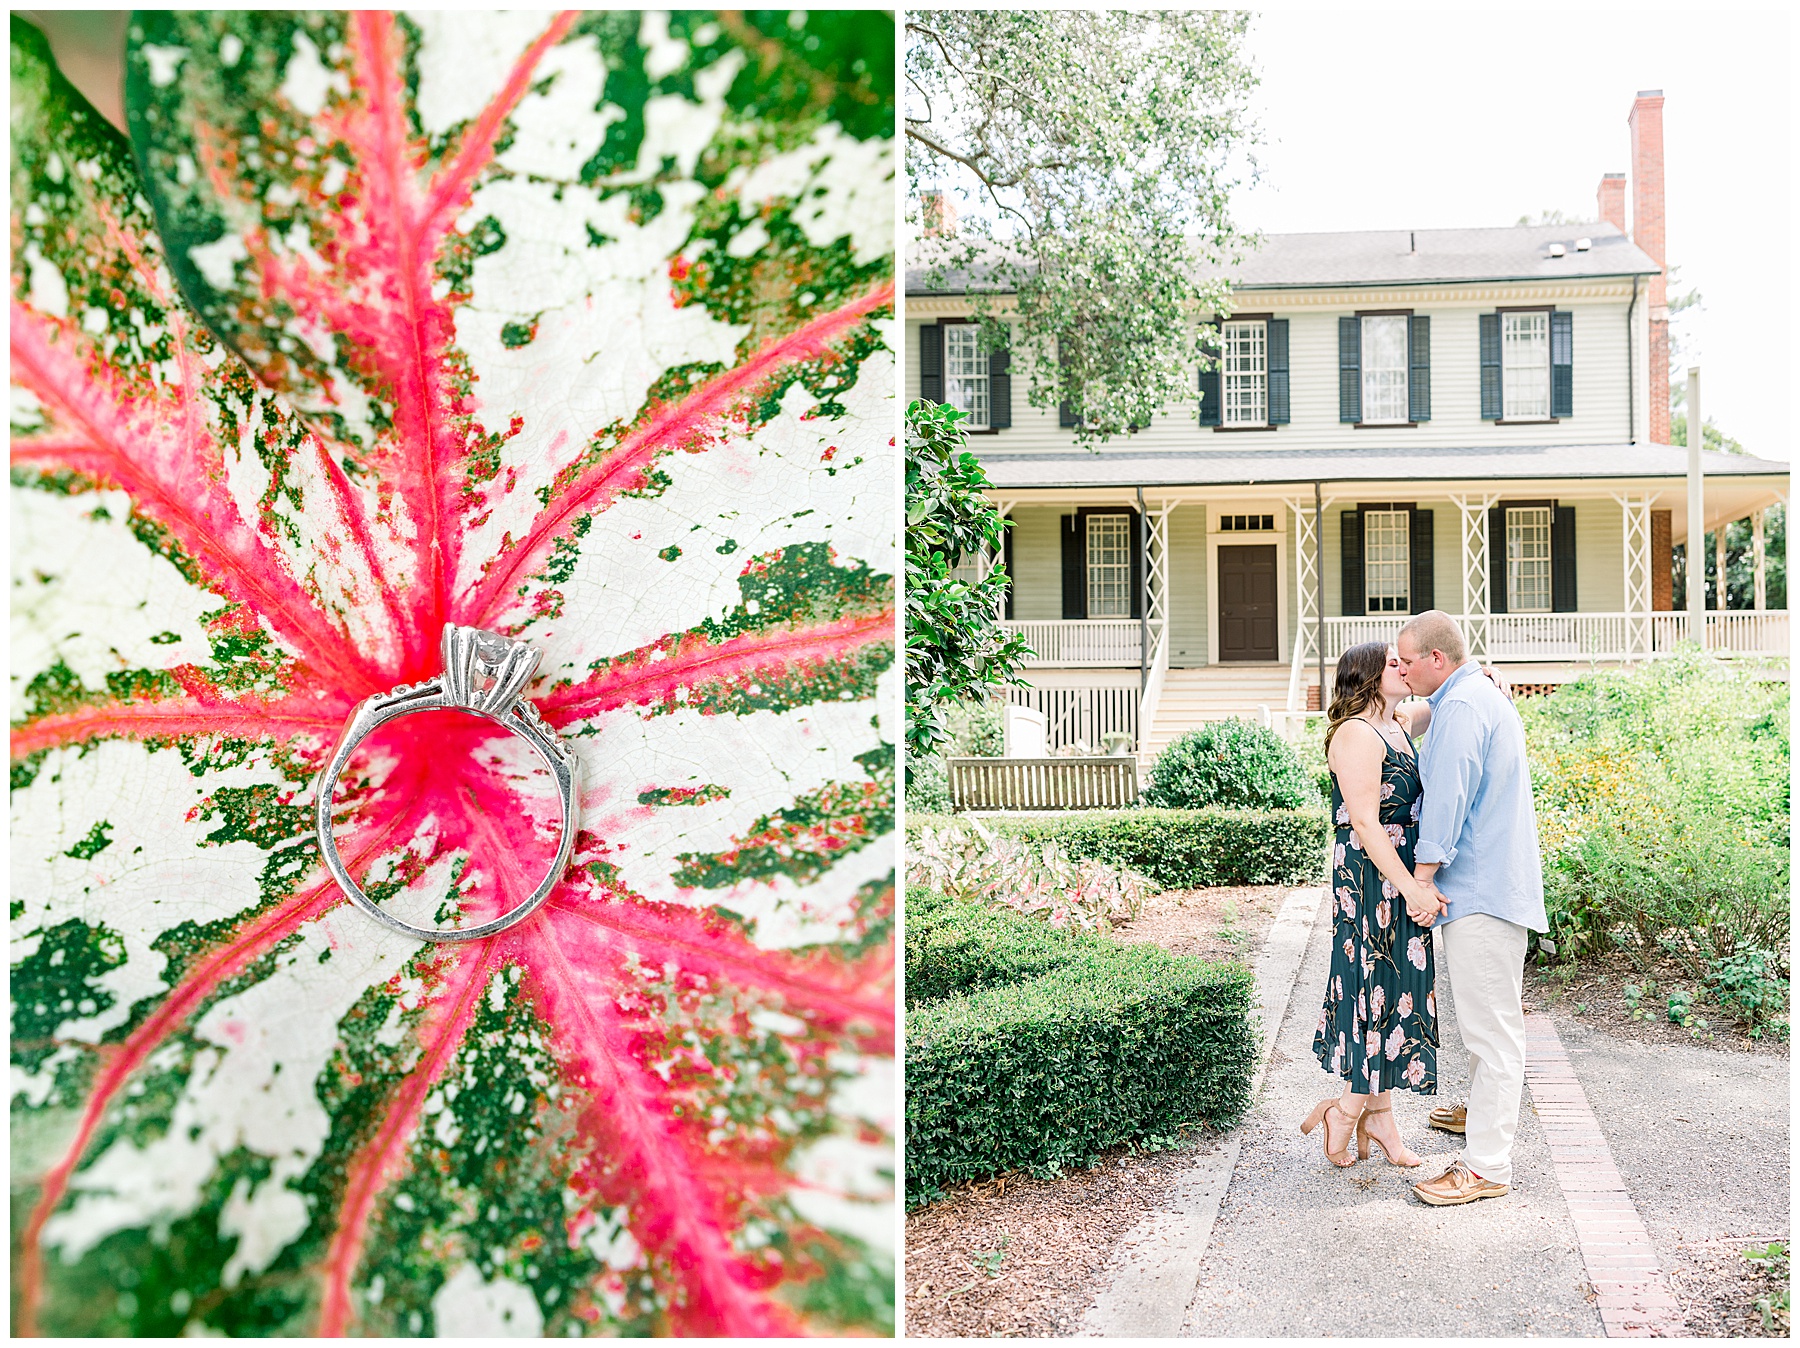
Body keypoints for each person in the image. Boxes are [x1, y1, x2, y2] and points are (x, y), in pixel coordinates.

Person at [1394, 610, 1547, 1207]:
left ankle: (1486, 1167)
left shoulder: (1462, 706)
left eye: (1407, 661)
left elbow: (1450, 794)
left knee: (1493, 1031)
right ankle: (1483, 1116)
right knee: (1487, 1023)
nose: (1401, 671)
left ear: (1437, 659)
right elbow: (1431, 716)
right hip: (1495, 885)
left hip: (1478, 888)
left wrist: (1423, 876)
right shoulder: (1472, 693)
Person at [1301, 641, 1445, 1170]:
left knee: (1392, 986)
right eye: (1393, 663)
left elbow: (1437, 701)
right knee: (1371, 982)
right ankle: (1345, 1110)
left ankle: (1379, 1115)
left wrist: (1479, 678)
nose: (1403, 667)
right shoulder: (1357, 734)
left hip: (1398, 870)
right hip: (1371, 875)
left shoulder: (1395, 721)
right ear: (1366, 676)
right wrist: (1411, 888)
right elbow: (1364, 823)